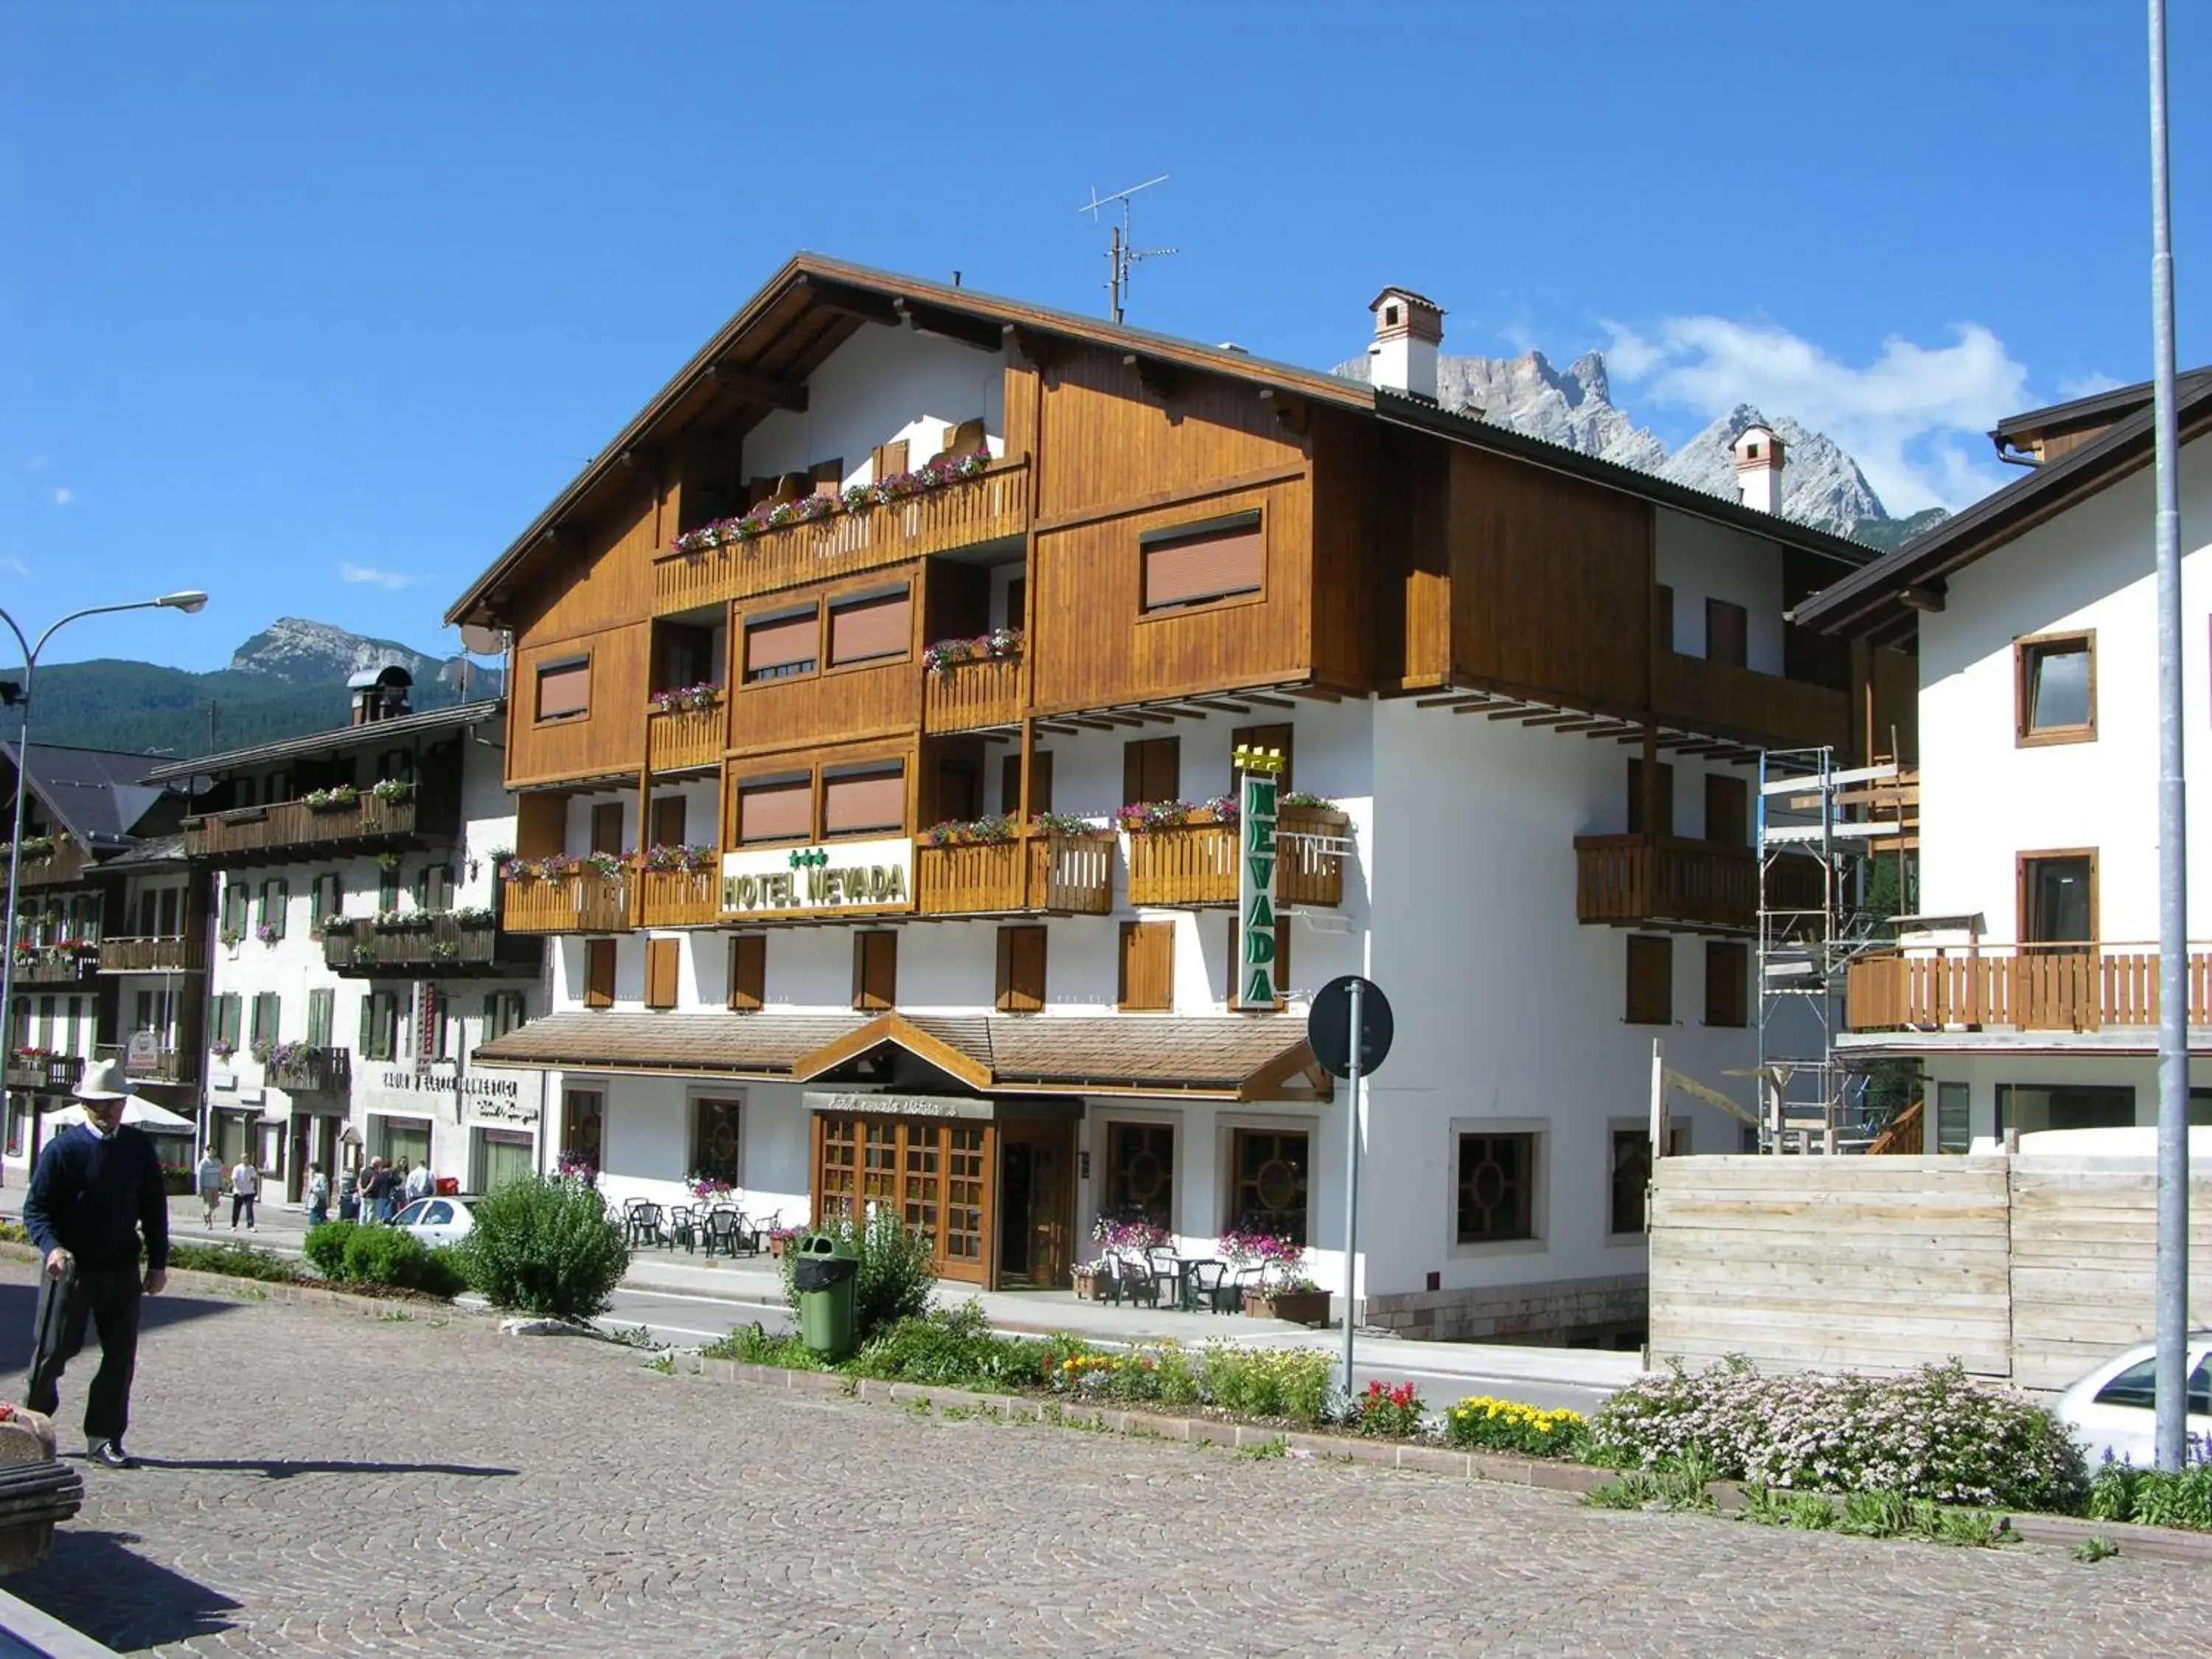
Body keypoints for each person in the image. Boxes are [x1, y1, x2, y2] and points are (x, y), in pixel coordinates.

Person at [22, 1057, 169, 1470]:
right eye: (97, 1106)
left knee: (120, 1356)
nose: (106, 1114)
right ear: (84, 1105)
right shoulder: (62, 1151)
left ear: (124, 1104)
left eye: (113, 1105)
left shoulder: (138, 1149)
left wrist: (157, 1262)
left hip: (121, 1269)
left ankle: (104, 1438)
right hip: (70, 1269)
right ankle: (31, 1427)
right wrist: (51, 1247)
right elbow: (36, 1210)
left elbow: (154, 1208)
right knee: (53, 1352)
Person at [229, 1154, 260, 1231]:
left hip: (249, 1191)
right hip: (239, 1191)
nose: (246, 1160)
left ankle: (250, 1226)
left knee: (249, 1209)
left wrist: (252, 1178)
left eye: (247, 1158)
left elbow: (255, 1178)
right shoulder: (237, 1168)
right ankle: (234, 1225)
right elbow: (234, 1179)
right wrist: (238, 1190)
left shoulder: (251, 1168)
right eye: (244, 1158)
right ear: (241, 1159)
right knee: (236, 1209)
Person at [194, 1146, 223, 1227]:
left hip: (215, 1186)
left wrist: (221, 1186)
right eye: (212, 1151)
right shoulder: (204, 1162)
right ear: (208, 1152)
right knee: (208, 1203)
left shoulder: (218, 1162)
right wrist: (199, 1188)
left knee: (215, 1204)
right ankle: (209, 1221)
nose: (213, 1152)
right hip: (206, 1186)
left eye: (214, 1151)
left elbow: (220, 1175)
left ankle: (206, 1214)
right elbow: (200, 1176)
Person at [305, 1164, 330, 1228]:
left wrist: (313, 1190)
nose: (310, 1171)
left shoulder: (321, 1177)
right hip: (313, 1202)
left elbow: (323, 1190)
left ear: (314, 1169)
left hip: (318, 1201)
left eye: (311, 1169)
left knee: (314, 1220)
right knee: (319, 1220)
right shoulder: (314, 1177)